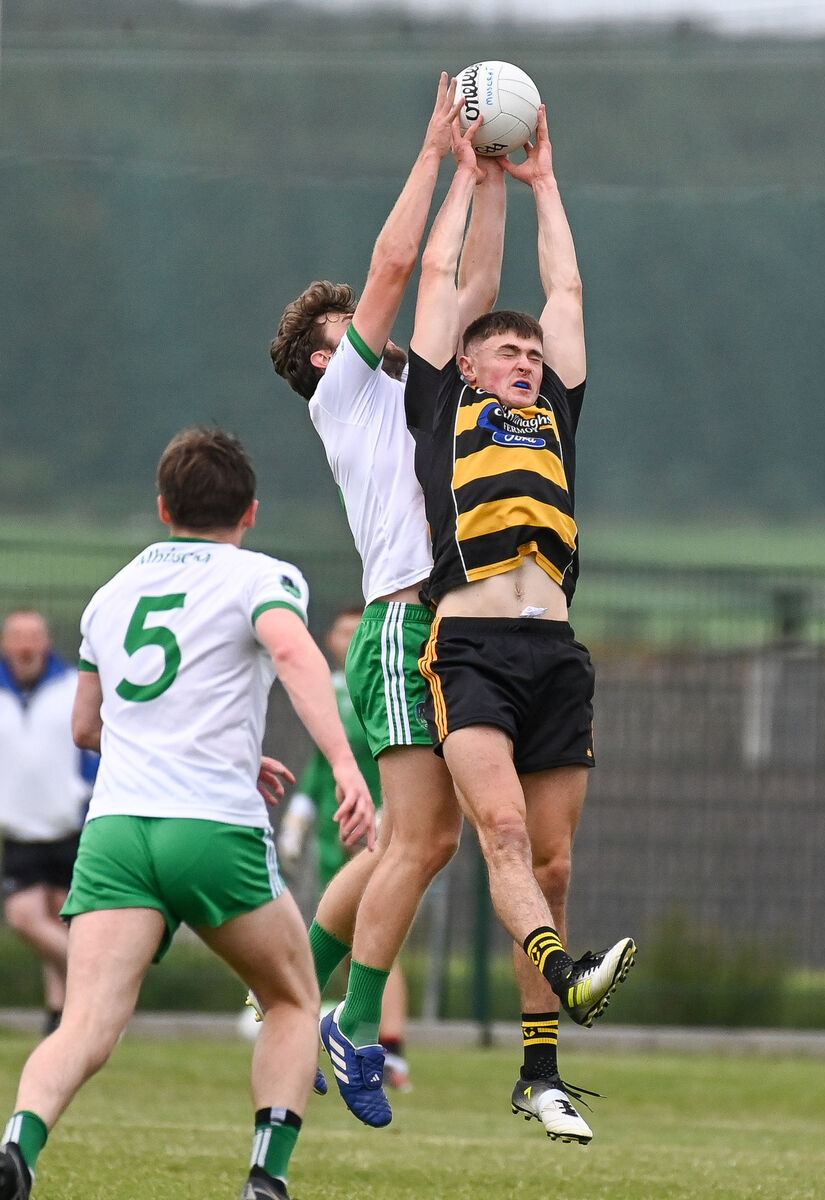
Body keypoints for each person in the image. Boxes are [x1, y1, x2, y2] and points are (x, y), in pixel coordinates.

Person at [0, 427, 376, 1200]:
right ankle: (266, 1179)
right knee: (294, 997)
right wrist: (343, 764)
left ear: (163, 506)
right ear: (251, 512)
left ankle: (18, 1148)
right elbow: (296, 654)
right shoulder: (260, 575)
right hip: (209, 827)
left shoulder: (112, 593)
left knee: (85, 1024)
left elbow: (85, 728)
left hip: (115, 834)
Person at [269, 72, 506, 1132]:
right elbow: (400, 263)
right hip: (405, 622)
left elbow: (464, 282)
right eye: (346, 325)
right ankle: (351, 1027)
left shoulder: (416, 392)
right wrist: (434, 153)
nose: (370, 326)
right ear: (324, 358)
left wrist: (488, 179)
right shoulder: (343, 393)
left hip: (446, 626)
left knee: (418, 846)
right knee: (413, 846)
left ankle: (295, 993)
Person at [404, 107, 636, 1143]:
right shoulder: (443, 407)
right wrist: (470, 177)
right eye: (505, 349)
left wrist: (543, 181)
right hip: (470, 650)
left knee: (551, 867)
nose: (523, 357)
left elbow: (569, 292)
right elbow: (448, 289)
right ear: (470, 365)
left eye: (529, 352)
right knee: (495, 831)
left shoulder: (557, 415)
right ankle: (568, 973)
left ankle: (539, 1073)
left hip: (556, 656)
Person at [277, 604, 412, 1091]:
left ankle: (388, 1050)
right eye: (342, 630)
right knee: (357, 938)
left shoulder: (390, 685)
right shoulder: (329, 691)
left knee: (377, 941)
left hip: (379, 825)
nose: (351, 638)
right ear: (332, 641)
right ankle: (297, 1019)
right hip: (341, 828)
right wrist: (298, 817)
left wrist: (391, 813)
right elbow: (319, 765)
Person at [0, 610, 98, 1036]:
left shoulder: (73, 684)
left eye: (33, 637)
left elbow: (95, 741)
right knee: (24, 917)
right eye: (17, 637)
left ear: (46, 642)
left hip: (70, 823)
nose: (25, 646)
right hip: (19, 830)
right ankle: (99, 978)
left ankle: (59, 1015)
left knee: (61, 918)